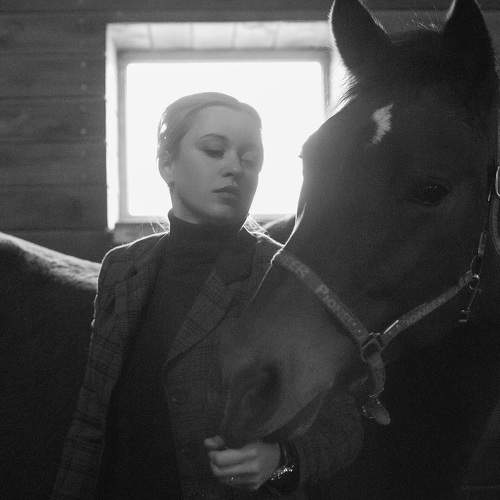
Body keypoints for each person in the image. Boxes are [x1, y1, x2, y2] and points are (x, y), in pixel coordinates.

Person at [51, 92, 363, 500]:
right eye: (215, 150)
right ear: (167, 164)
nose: (234, 167)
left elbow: (343, 424)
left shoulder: (288, 276)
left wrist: (281, 461)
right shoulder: (123, 267)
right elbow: (92, 416)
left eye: (250, 158)